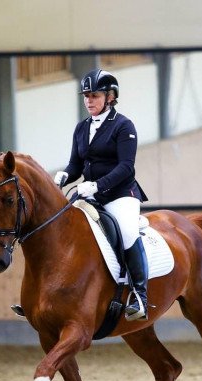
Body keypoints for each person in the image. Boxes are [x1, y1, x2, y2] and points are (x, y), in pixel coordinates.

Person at [54, 69, 149, 321]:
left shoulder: (123, 125)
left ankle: (140, 295)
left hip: (120, 193)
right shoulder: (81, 127)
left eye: (94, 95)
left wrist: (97, 186)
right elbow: (76, 164)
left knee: (128, 231)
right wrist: (64, 175)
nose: (88, 101)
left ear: (110, 96)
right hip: (89, 193)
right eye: (86, 96)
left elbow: (126, 166)